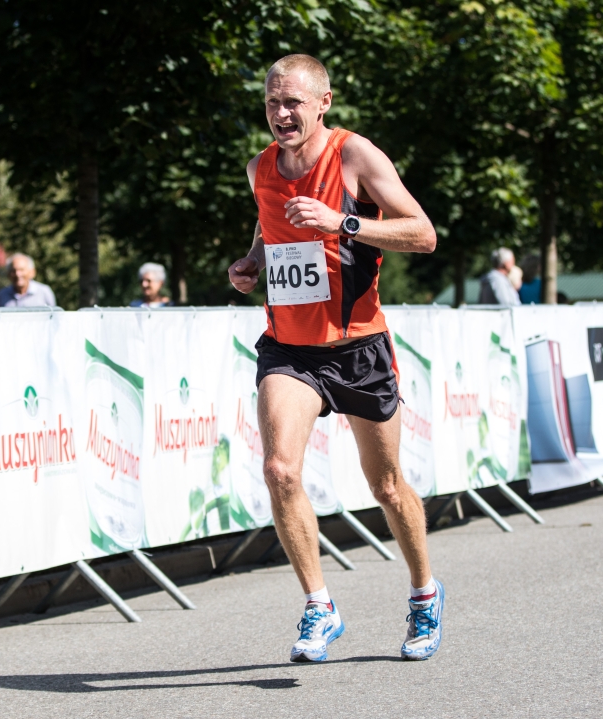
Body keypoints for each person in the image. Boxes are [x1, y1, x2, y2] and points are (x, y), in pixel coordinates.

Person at [227, 54, 443, 663]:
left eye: (292, 102)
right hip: (289, 349)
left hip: (359, 347)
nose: (281, 113)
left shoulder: (355, 156)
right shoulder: (260, 168)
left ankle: (425, 593)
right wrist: (252, 263)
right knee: (280, 469)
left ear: (323, 103)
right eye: (272, 102)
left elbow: (423, 233)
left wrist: (341, 221)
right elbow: (269, 229)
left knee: (388, 486)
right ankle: (319, 605)